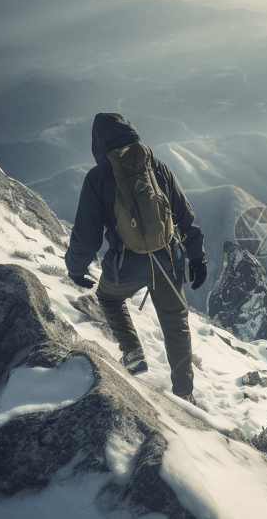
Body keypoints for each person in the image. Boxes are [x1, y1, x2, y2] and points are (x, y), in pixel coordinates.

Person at [65, 113, 207, 405]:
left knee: (108, 299)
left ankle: (132, 351)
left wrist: (76, 268)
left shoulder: (98, 177)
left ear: (98, 144)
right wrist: (197, 258)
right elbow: (184, 216)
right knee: (176, 324)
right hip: (168, 262)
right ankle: (184, 393)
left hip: (125, 268)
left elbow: (87, 235)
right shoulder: (157, 166)